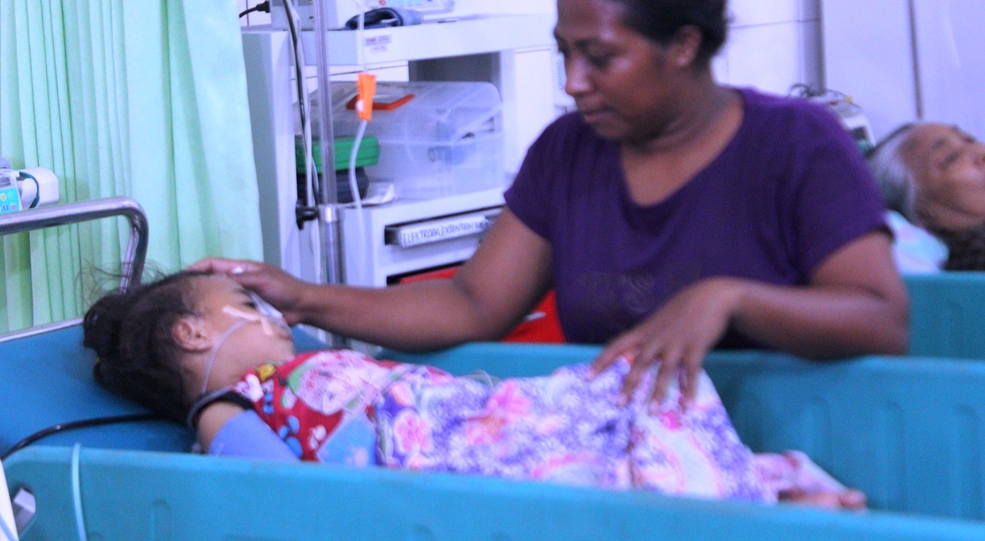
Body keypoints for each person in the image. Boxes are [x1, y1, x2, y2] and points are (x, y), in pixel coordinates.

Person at [195, 0, 908, 407]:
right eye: (564, 51)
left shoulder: (796, 144)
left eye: (599, 57)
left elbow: (880, 318)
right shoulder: (571, 154)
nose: (573, 80)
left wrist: (728, 297)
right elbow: (471, 303)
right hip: (643, 460)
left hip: (801, 457)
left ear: (684, 44)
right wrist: (303, 295)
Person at [82, 271, 866, 507]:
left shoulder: (298, 365)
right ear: (192, 335)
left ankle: (745, 499)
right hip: (433, 455)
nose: (273, 317)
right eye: (245, 307)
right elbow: (283, 489)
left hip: (471, 416)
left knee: (645, 379)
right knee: (623, 428)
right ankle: (742, 505)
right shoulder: (229, 406)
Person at [868, 122, 985, 270]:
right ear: (921, 211)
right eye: (951, 158)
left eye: (970, 139)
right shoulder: (975, 259)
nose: (981, 151)